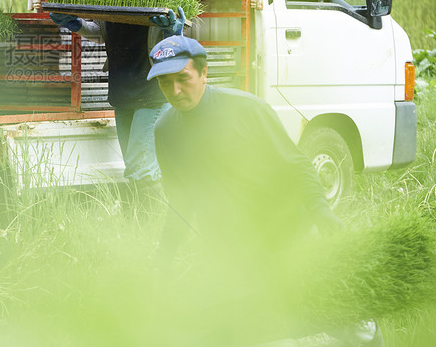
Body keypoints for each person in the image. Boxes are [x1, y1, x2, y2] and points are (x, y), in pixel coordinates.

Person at [147, 35, 382, 346]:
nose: (174, 91)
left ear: (204, 74)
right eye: (164, 82)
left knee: (342, 317)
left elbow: (297, 164)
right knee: (240, 328)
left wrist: (320, 211)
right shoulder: (166, 131)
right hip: (231, 251)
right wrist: (163, 260)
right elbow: (180, 202)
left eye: (182, 78)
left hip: (288, 231)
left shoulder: (246, 110)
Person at [48, 0, 190, 192]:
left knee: (142, 165)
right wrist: (73, 23)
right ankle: (142, 225)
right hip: (123, 79)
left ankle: (151, 225)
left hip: (155, 81)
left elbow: (182, 29)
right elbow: (101, 31)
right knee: (133, 163)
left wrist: (173, 30)